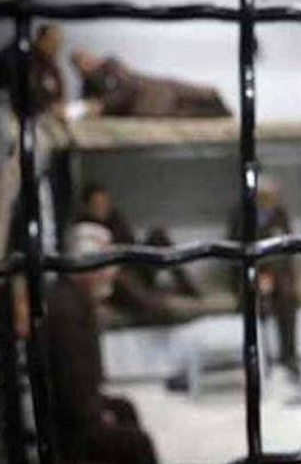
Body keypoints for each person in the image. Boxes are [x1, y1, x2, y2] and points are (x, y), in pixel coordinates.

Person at [47, 221, 158, 464]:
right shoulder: (67, 310)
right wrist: (98, 415)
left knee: (125, 408)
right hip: (69, 426)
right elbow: (72, 385)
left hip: (77, 409)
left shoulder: (76, 300)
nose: (113, 272)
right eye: (108, 263)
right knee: (137, 443)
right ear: (87, 265)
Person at [77, 182, 200, 324]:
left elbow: (131, 245)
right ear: (88, 206)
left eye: (105, 203)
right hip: (114, 281)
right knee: (121, 276)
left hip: (134, 267)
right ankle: (155, 308)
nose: (102, 208)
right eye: (97, 204)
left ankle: (188, 288)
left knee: (158, 235)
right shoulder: (83, 230)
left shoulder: (116, 218)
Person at [229, 178, 301, 385]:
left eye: (272, 196)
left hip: (277, 272)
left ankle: (289, 357)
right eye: (265, 197)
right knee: (256, 300)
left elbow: (287, 248)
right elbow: (235, 253)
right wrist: (258, 274)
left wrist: (273, 275)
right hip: (250, 271)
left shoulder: (280, 214)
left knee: (288, 297)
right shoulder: (241, 215)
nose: (270, 201)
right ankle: (262, 360)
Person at [70, 49, 230, 117]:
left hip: (152, 90)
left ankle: (217, 104)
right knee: (188, 111)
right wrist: (92, 107)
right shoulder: (88, 86)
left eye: (85, 60)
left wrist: (101, 105)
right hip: (147, 106)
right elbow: (89, 105)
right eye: (80, 64)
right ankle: (217, 110)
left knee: (199, 94)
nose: (85, 66)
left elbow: (127, 87)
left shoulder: (110, 65)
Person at [0, 24, 66, 119]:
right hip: (17, 112)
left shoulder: (49, 61)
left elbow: (58, 85)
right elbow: (28, 89)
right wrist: (49, 107)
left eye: (58, 44)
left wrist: (60, 103)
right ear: (41, 39)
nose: (56, 48)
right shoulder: (23, 56)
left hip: (46, 113)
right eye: (53, 42)